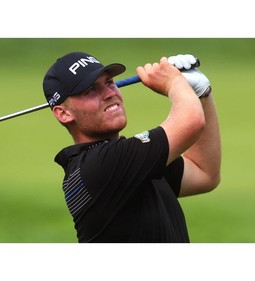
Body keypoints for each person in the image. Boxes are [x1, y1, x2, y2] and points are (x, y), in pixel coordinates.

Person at [42, 51, 221, 242]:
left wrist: (202, 94)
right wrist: (174, 82)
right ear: (63, 113)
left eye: (109, 82)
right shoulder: (100, 164)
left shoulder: (125, 162)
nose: (110, 94)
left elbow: (204, 174)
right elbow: (191, 122)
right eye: (91, 90)